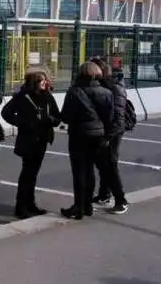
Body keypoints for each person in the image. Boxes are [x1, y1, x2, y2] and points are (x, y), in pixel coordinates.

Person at [2, 68, 61, 219]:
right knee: (27, 173)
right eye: (42, 81)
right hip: (28, 139)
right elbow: (6, 113)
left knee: (33, 174)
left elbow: (57, 116)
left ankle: (31, 203)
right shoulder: (23, 96)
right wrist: (23, 123)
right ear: (35, 83)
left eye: (45, 81)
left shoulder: (47, 96)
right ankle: (20, 206)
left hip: (42, 139)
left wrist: (51, 120)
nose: (45, 83)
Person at [60, 62, 114, 220]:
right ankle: (88, 205)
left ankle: (79, 206)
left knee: (79, 172)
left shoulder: (74, 91)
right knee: (90, 171)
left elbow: (66, 116)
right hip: (98, 135)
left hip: (79, 135)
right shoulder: (106, 92)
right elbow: (109, 117)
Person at [90, 58, 130, 215]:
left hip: (113, 131)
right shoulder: (105, 85)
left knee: (110, 164)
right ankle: (104, 195)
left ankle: (121, 200)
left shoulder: (114, 87)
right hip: (106, 129)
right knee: (102, 163)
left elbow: (118, 118)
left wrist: (107, 136)